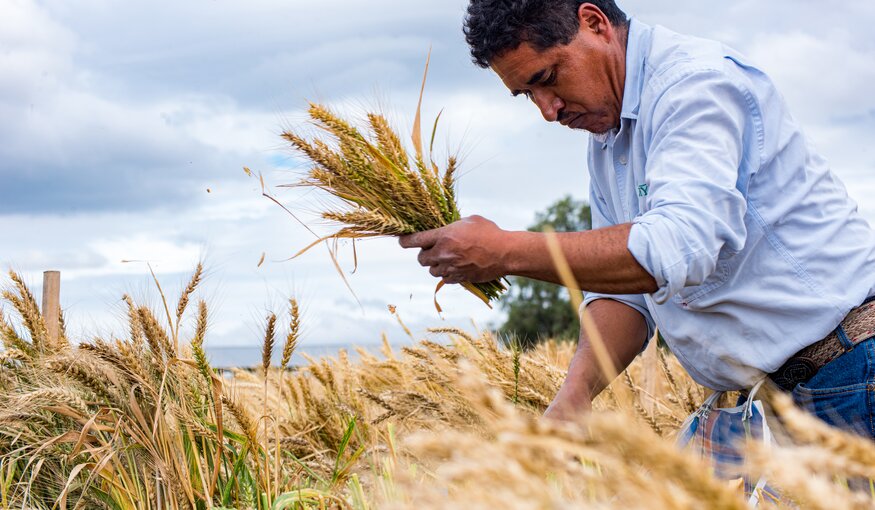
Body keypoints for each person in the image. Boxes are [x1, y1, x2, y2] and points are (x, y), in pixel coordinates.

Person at [398, 0, 875, 438]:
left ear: (594, 23)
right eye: (526, 95)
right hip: (759, 407)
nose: (548, 111)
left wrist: (504, 252)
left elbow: (674, 248)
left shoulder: (695, 88)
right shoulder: (609, 139)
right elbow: (624, 293)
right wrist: (574, 397)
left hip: (852, 374)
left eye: (547, 78)